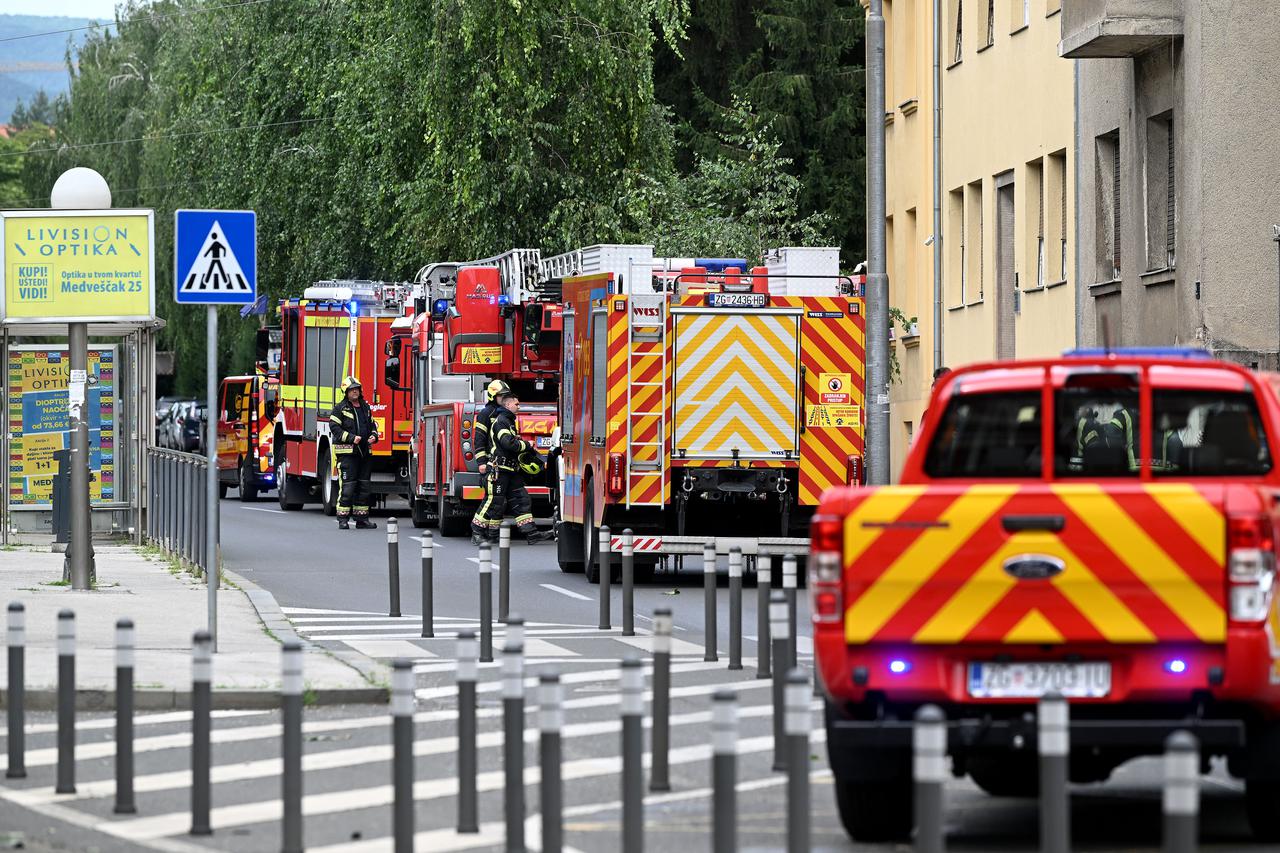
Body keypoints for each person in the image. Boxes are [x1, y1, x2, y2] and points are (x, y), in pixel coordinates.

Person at [472, 390, 553, 544]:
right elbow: (507, 443)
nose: (519, 406)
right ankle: (477, 532)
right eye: (516, 404)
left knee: (521, 499)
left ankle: (531, 533)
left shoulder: (508, 421)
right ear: (508, 404)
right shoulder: (502, 421)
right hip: (499, 470)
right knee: (493, 501)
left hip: (510, 471)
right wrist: (526, 444)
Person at [329, 376, 380, 530]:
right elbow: (334, 428)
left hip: (364, 453)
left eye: (357, 389)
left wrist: (374, 436)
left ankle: (361, 519)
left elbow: (372, 425)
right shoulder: (340, 409)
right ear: (346, 392)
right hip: (347, 454)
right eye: (352, 390)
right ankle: (343, 519)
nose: (355, 392)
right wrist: (351, 438)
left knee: (364, 487)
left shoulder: (365, 406)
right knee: (348, 487)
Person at [469, 379, 511, 542]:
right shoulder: (486, 414)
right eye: (502, 396)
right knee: (491, 499)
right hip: (491, 463)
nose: (505, 399)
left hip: (503, 464)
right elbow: (479, 440)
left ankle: (493, 533)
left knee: (499, 500)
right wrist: (481, 463)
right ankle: (477, 532)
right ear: (494, 396)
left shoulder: (505, 414)